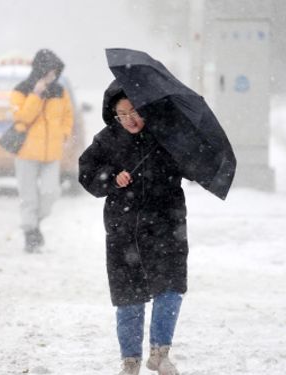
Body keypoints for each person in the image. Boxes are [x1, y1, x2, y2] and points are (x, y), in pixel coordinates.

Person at [78, 80, 187, 375]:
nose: (129, 119)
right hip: (124, 231)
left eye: (134, 110)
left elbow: (189, 166)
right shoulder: (106, 141)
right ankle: (130, 361)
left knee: (170, 288)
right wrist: (112, 177)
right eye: (122, 114)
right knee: (129, 295)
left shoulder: (166, 136)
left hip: (167, 226)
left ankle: (160, 353)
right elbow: (86, 174)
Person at [10, 49, 73, 253]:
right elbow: (23, 118)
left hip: (51, 153)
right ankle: (31, 234)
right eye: (49, 72)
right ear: (40, 70)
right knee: (28, 197)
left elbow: (67, 116)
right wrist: (35, 95)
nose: (52, 76)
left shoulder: (60, 91)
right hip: (26, 153)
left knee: (50, 193)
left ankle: (33, 223)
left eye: (55, 72)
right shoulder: (21, 90)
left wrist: (63, 134)